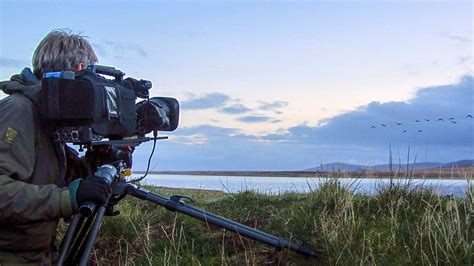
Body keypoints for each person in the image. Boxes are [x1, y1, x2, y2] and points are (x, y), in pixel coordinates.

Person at [0, 30, 112, 265]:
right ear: (78, 70)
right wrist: (67, 199)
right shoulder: (19, 111)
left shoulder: (47, 118)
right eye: (88, 79)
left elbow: (59, 178)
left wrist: (96, 165)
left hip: (39, 255)